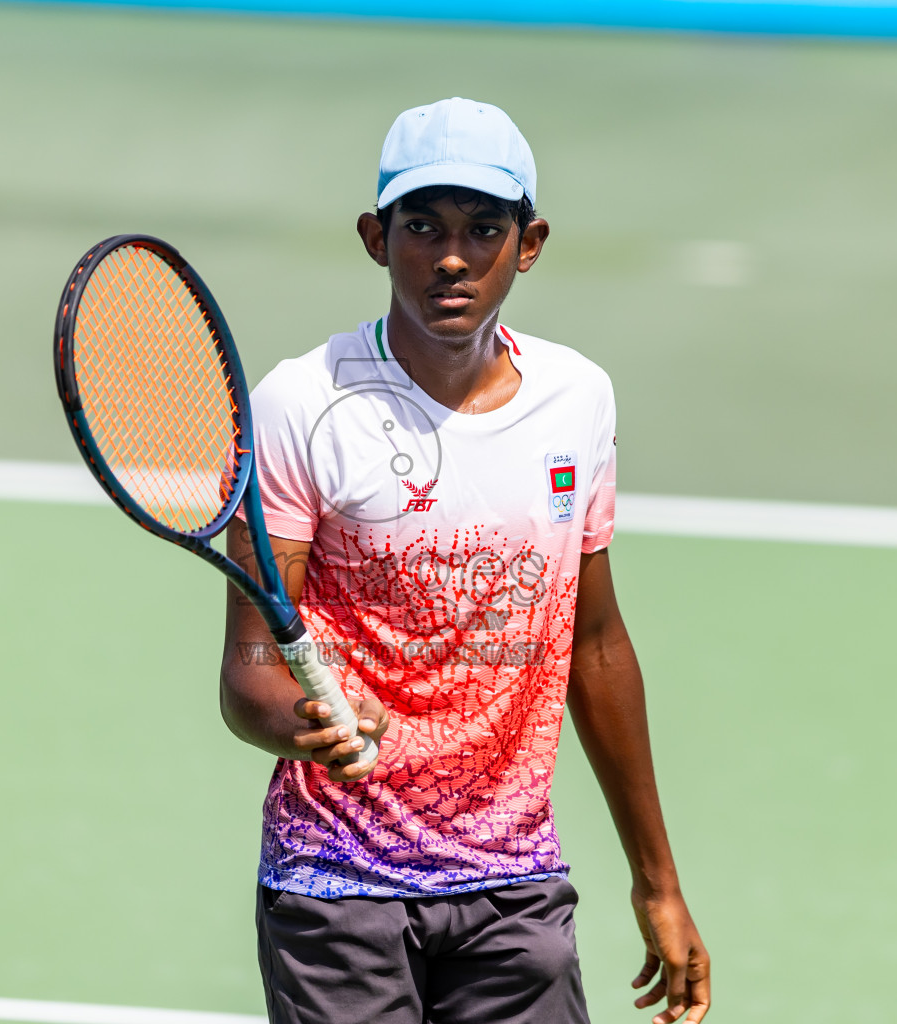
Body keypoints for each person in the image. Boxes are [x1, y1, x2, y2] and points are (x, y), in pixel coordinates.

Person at [219, 96, 710, 1024]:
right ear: (376, 237)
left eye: (485, 228)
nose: (452, 256)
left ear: (529, 244)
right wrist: (301, 720)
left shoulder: (577, 401)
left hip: (514, 887)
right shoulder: (300, 405)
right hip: (335, 887)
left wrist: (658, 882)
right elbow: (248, 666)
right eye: (423, 226)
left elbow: (593, 645)